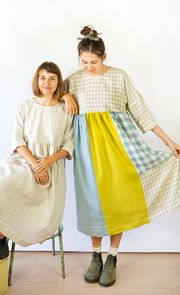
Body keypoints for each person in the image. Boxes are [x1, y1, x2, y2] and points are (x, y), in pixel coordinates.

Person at [63, 25, 180, 287]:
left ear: (105, 57)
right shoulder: (73, 79)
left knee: (118, 200)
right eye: (83, 62)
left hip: (119, 148)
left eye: (93, 62)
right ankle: (95, 255)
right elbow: (49, 94)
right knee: (92, 202)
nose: (88, 67)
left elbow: (141, 111)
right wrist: (65, 93)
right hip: (87, 153)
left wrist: (169, 142)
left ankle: (113, 257)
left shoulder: (119, 77)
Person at [0, 61, 74, 266]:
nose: (47, 82)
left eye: (52, 78)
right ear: (37, 80)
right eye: (42, 77)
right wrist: (33, 163)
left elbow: (69, 144)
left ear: (58, 81)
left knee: (5, 188)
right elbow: (17, 141)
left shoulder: (64, 109)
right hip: (24, 160)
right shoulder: (25, 106)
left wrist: (46, 162)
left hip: (49, 168)